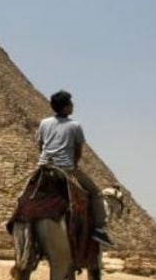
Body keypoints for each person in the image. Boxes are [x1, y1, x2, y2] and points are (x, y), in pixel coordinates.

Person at [36, 90, 112, 246]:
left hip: (43, 167)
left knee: (25, 193)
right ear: (65, 107)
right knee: (96, 193)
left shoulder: (44, 123)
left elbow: (40, 145)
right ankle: (99, 229)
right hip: (66, 168)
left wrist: (45, 160)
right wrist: (73, 165)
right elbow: (78, 151)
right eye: (71, 104)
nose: (73, 106)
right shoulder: (74, 126)